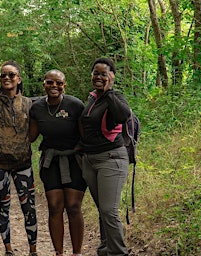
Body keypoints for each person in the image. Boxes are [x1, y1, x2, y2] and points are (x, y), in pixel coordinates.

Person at [0, 60, 38, 256]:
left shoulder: (29, 104)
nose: (7, 78)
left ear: (18, 79)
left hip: (23, 164)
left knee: (28, 207)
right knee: (3, 207)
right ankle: (8, 249)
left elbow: (35, 130)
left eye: (11, 75)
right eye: (3, 75)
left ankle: (33, 249)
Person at [28, 70, 87, 256]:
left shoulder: (75, 105)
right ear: (44, 84)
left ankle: (77, 252)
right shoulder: (36, 108)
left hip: (74, 160)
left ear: (64, 85)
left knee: (73, 206)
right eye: (50, 82)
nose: (54, 86)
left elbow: (84, 135)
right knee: (54, 206)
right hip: (50, 160)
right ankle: (58, 252)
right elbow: (31, 136)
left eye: (59, 83)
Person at [78, 58, 132, 256]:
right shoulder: (92, 98)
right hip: (90, 160)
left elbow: (122, 116)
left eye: (103, 74)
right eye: (95, 73)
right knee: (103, 210)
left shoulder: (115, 97)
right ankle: (105, 249)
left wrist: (109, 92)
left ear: (112, 77)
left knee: (109, 210)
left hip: (111, 159)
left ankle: (118, 252)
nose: (98, 77)